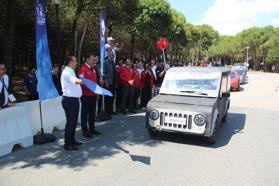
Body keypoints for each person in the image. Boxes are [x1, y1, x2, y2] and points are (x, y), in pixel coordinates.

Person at [61, 56, 83, 151]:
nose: (76, 62)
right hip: (69, 100)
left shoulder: (70, 71)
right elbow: (74, 80)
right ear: (70, 62)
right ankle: (67, 144)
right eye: (75, 61)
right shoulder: (67, 72)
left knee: (73, 122)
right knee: (70, 122)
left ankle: (72, 140)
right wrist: (81, 81)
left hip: (73, 100)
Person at [78, 54, 100, 138]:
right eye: (92, 59)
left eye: (94, 59)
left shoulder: (93, 68)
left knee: (92, 113)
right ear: (87, 59)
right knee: (85, 113)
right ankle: (85, 130)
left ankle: (92, 128)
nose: (94, 61)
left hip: (93, 94)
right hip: (86, 95)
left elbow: (95, 81)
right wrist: (91, 88)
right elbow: (82, 83)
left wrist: (96, 92)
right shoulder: (83, 69)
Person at [104, 49, 118, 115]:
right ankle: (107, 111)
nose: (113, 56)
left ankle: (111, 110)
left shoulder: (113, 63)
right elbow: (104, 73)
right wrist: (106, 82)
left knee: (112, 97)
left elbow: (115, 74)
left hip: (113, 83)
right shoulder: (105, 62)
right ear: (108, 55)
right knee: (107, 98)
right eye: (112, 55)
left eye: (113, 55)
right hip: (108, 83)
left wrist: (116, 82)